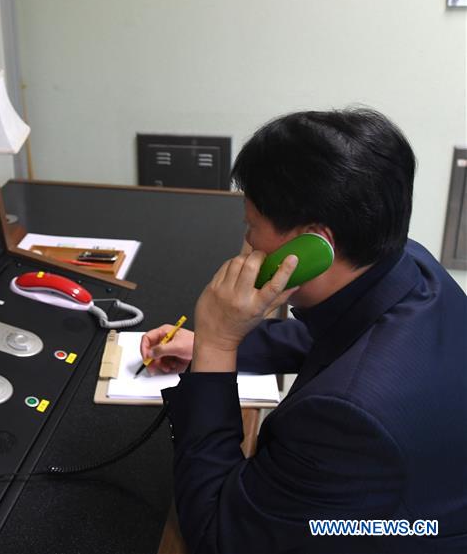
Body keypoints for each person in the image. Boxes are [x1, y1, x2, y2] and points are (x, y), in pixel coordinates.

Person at [142, 108, 467, 553]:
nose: (247, 242)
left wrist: (218, 344)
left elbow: (217, 534)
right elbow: (340, 338)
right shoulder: (407, 263)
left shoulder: (347, 420)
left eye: (252, 226)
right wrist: (210, 344)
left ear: (313, 244)